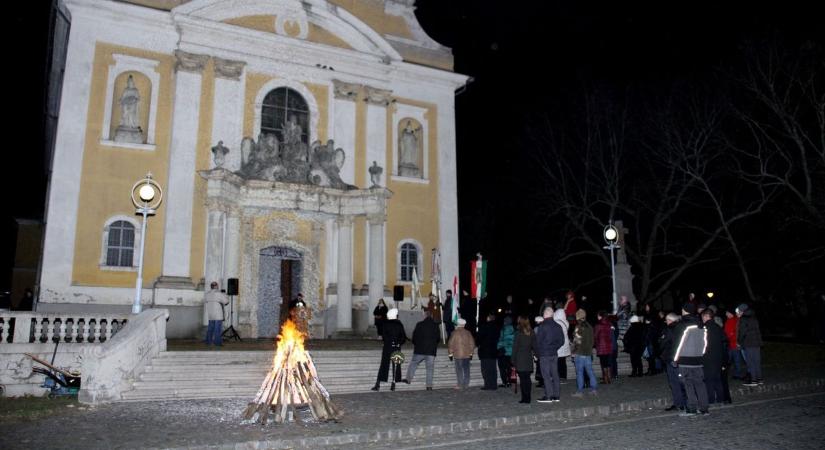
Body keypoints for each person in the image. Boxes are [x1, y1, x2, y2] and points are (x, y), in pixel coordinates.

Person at [673, 303, 709, 416]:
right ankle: (704, 408)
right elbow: (705, 342)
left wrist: (675, 359)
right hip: (698, 359)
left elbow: (678, 343)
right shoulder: (701, 324)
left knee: (688, 384)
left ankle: (692, 408)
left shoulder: (683, 325)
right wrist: (702, 355)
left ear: (684, 311)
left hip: (685, 359)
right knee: (700, 384)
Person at [403, 310, 439, 390]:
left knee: (413, 364)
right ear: (431, 316)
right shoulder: (435, 325)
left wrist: (416, 344)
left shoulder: (419, 324)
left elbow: (414, 337)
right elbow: (437, 338)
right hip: (431, 351)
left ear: (425, 315)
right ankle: (429, 386)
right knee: (430, 368)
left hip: (420, 350)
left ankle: (408, 379)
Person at [535, 305, 565, 403]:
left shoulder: (542, 326)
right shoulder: (558, 326)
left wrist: (537, 353)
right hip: (554, 353)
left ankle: (548, 396)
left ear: (545, 314)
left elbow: (538, 342)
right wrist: (555, 347)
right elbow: (562, 341)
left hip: (544, 354)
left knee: (546, 375)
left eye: (543, 313)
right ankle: (556, 396)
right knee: (555, 374)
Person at [372, 308, 406, 391]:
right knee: (396, 365)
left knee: (384, 364)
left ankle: (378, 384)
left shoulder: (386, 324)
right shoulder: (399, 324)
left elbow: (384, 336)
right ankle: (393, 383)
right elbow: (403, 337)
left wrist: (389, 342)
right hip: (396, 346)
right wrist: (398, 343)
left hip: (387, 346)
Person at [701, 308, 728, 404]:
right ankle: (720, 398)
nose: (702, 319)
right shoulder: (718, 327)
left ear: (706, 316)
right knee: (717, 379)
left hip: (708, 357)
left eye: (702, 317)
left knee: (709, 379)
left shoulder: (704, 328)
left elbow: (702, 344)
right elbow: (724, 340)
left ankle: (711, 399)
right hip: (718, 357)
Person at [660, 313, 686, 411]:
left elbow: (663, 342)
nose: (666, 322)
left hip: (671, 357)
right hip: (681, 357)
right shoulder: (682, 327)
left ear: (670, 320)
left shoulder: (669, 329)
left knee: (674, 382)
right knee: (680, 381)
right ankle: (682, 402)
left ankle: (679, 403)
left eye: (667, 320)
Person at [571, 309, 598, 397]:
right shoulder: (590, 326)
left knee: (579, 372)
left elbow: (577, 342)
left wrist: (573, 352)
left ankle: (580, 391)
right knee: (590, 371)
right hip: (588, 353)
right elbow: (593, 341)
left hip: (580, 353)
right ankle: (594, 389)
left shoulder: (578, 327)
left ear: (577, 317)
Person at [736, 304, 763, 386]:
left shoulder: (744, 319)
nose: (738, 313)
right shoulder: (754, 317)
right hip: (756, 343)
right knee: (757, 361)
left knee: (750, 362)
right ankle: (759, 379)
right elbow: (758, 331)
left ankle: (753, 380)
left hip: (748, 343)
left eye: (738, 311)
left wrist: (739, 341)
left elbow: (742, 332)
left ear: (742, 311)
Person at [511, 316, 536, 404]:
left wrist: (512, 360)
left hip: (520, 359)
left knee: (523, 379)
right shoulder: (531, 332)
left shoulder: (518, 333)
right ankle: (527, 397)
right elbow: (535, 346)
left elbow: (515, 348)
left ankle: (524, 398)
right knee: (527, 379)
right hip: (528, 358)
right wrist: (537, 355)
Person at [447, 318, 475, 389]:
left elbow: (450, 344)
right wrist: (471, 353)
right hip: (466, 355)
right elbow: (472, 344)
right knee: (466, 370)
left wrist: (450, 354)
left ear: (458, 325)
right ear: (464, 325)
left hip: (457, 355)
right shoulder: (468, 333)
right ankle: (466, 384)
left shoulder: (454, 333)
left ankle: (460, 385)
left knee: (459, 370)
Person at [477, 313, 500, 390]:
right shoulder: (497, 327)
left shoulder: (485, 327)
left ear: (489, 318)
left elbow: (479, 338)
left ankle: (488, 385)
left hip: (485, 351)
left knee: (486, 369)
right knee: (493, 369)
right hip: (493, 351)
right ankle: (493, 385)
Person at [204, 281, 229, 346]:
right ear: (216, 286)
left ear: (211, 287)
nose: (218, 287)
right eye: (217, 285)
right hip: (218, 314)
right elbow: (226, 302)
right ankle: (217, 342)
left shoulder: (207, 294)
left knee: (210, 328)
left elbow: (205, 300)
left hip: (210, 314)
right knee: (217, 329)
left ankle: (208, 341)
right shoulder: (219, 293)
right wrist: (225, 294)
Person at [723, 309, 744, 379]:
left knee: (737, 360)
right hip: (729, 344)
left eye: (728, 313)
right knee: (728, 360)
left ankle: (738, 374)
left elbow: (737, 332)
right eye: (726, 313)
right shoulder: (727, 321)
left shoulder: (736, 320)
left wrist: (731, 336)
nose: (726, 314)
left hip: (735, 344)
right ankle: (726, 373)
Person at [594, 310, 614, 385]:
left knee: (603, 363)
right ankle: (609, 378)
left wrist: (595, 344)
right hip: (609, 345)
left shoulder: (598, 325)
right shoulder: (609, 324)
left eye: (598, 315)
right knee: (608, 363)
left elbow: (595, 336)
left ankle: (605, 379)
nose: (597, 317)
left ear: (600, 316)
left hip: (601, 347)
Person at [553, 309, 571, 382]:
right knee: (563, 362)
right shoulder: (566, 322)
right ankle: (563, 377)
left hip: (559, 346)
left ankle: (558, 377)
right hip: (565, 345)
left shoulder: (557, 323)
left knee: (557, 363)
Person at [497, 316, 515, 387]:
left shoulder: (504, 329)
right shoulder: (514, 330)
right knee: (509, 367)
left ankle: (505, 382)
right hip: (511, 352)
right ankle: (509, 381)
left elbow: (504, 340)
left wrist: (498, 345)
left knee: (502, 368)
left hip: (504, 352)